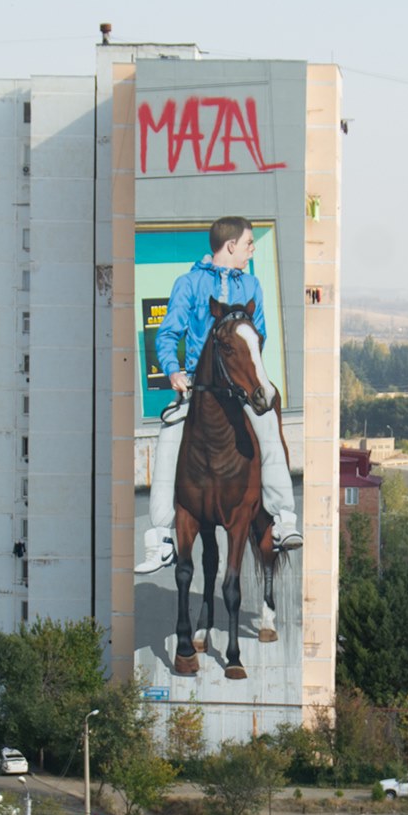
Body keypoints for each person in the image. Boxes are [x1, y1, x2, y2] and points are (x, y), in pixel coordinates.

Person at [135, 215, 301, 574]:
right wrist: (173, 371)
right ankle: (161, 538)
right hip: (199, 385)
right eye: (248, 244)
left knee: (269, 431)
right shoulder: (189, 284)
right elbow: (168, 334)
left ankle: (283, 519)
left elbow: (259, 336)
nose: (252, 250)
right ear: (230, 246)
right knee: (168, 439)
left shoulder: (252, 284)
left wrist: (246, 375)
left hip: (240, 386)